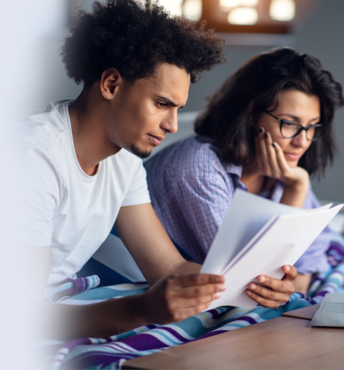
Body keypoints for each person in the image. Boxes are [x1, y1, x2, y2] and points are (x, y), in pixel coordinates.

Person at [20, 1, 297, 341]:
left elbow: (169, 268)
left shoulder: (124, 161)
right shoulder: (33, 157)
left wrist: (254, 283)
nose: (171, 125)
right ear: (110, 84)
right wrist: (141, 309)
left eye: (178, 109)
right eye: (161, 104)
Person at [144, 47, 344, 295]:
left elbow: (312, 264)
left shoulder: (284, 168)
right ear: (251, 114)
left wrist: (296, 182)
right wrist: (296, 189)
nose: (302, 141)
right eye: (290, 123)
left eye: (312, 127)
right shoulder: (198, 170)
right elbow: (252, 279)